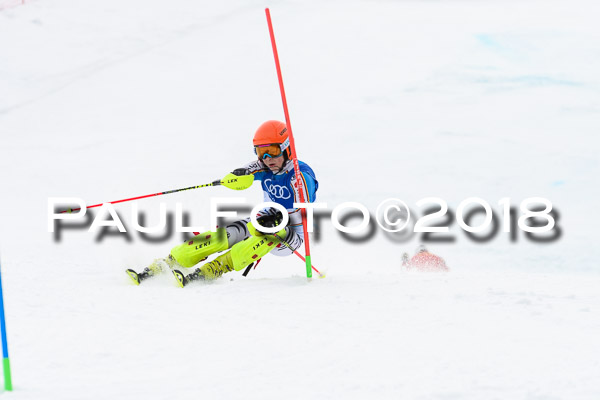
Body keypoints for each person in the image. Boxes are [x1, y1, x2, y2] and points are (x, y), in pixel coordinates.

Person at [126, 120, 318, 287]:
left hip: (291, 235)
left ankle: (215, 269)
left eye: (273, 151)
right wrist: (232, 178)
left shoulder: (299, 172)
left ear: (287, 148)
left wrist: (302, 183)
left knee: (266, 233)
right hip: (262, 219)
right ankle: (169, 263)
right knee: (226, 234)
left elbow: (310, 189)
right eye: (261, 152)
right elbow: (243, 174)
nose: (267, 159)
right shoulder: (266, 166)